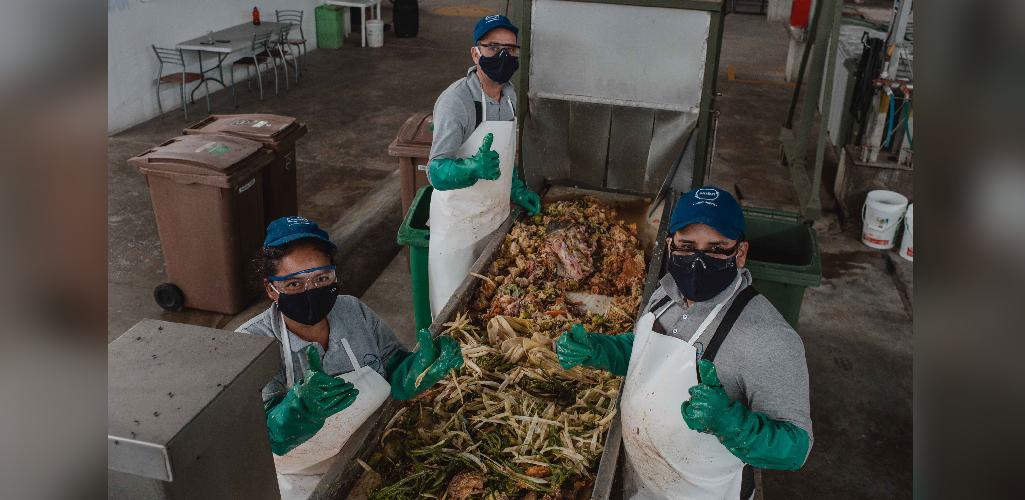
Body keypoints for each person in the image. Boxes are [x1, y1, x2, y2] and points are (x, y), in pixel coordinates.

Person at [555, 186, 813, 499]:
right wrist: (599, 349)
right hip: (644, 480)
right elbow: (645, 356)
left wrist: (729, 423)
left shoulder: (769, 338)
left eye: (717, 249)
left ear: (740, 253)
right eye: (687, 247)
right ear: (669, 246)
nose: (698, 262)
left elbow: (795, 448)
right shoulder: (666, 293)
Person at [237, 216, 464, 459]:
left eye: (321, 278)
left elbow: (393, 368)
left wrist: (418, 369)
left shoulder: (353, 311)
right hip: (305, 477)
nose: (311, 291)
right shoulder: (252, 342)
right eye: (294, 283)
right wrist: (303, 410)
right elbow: (261, 437)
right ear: (271, 289)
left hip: (373, 448)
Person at [426, 14, 542, 317]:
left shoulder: (511, 96)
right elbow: (436, 172)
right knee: (453, 316)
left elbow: (504, 156)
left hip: (495, 220)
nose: (503, 56)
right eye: (493, 48)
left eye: (510, 49)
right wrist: (472, 168)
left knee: (490, 309)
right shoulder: (457, 101)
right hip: (457, 229)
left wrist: (515, 188)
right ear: (475, 52)